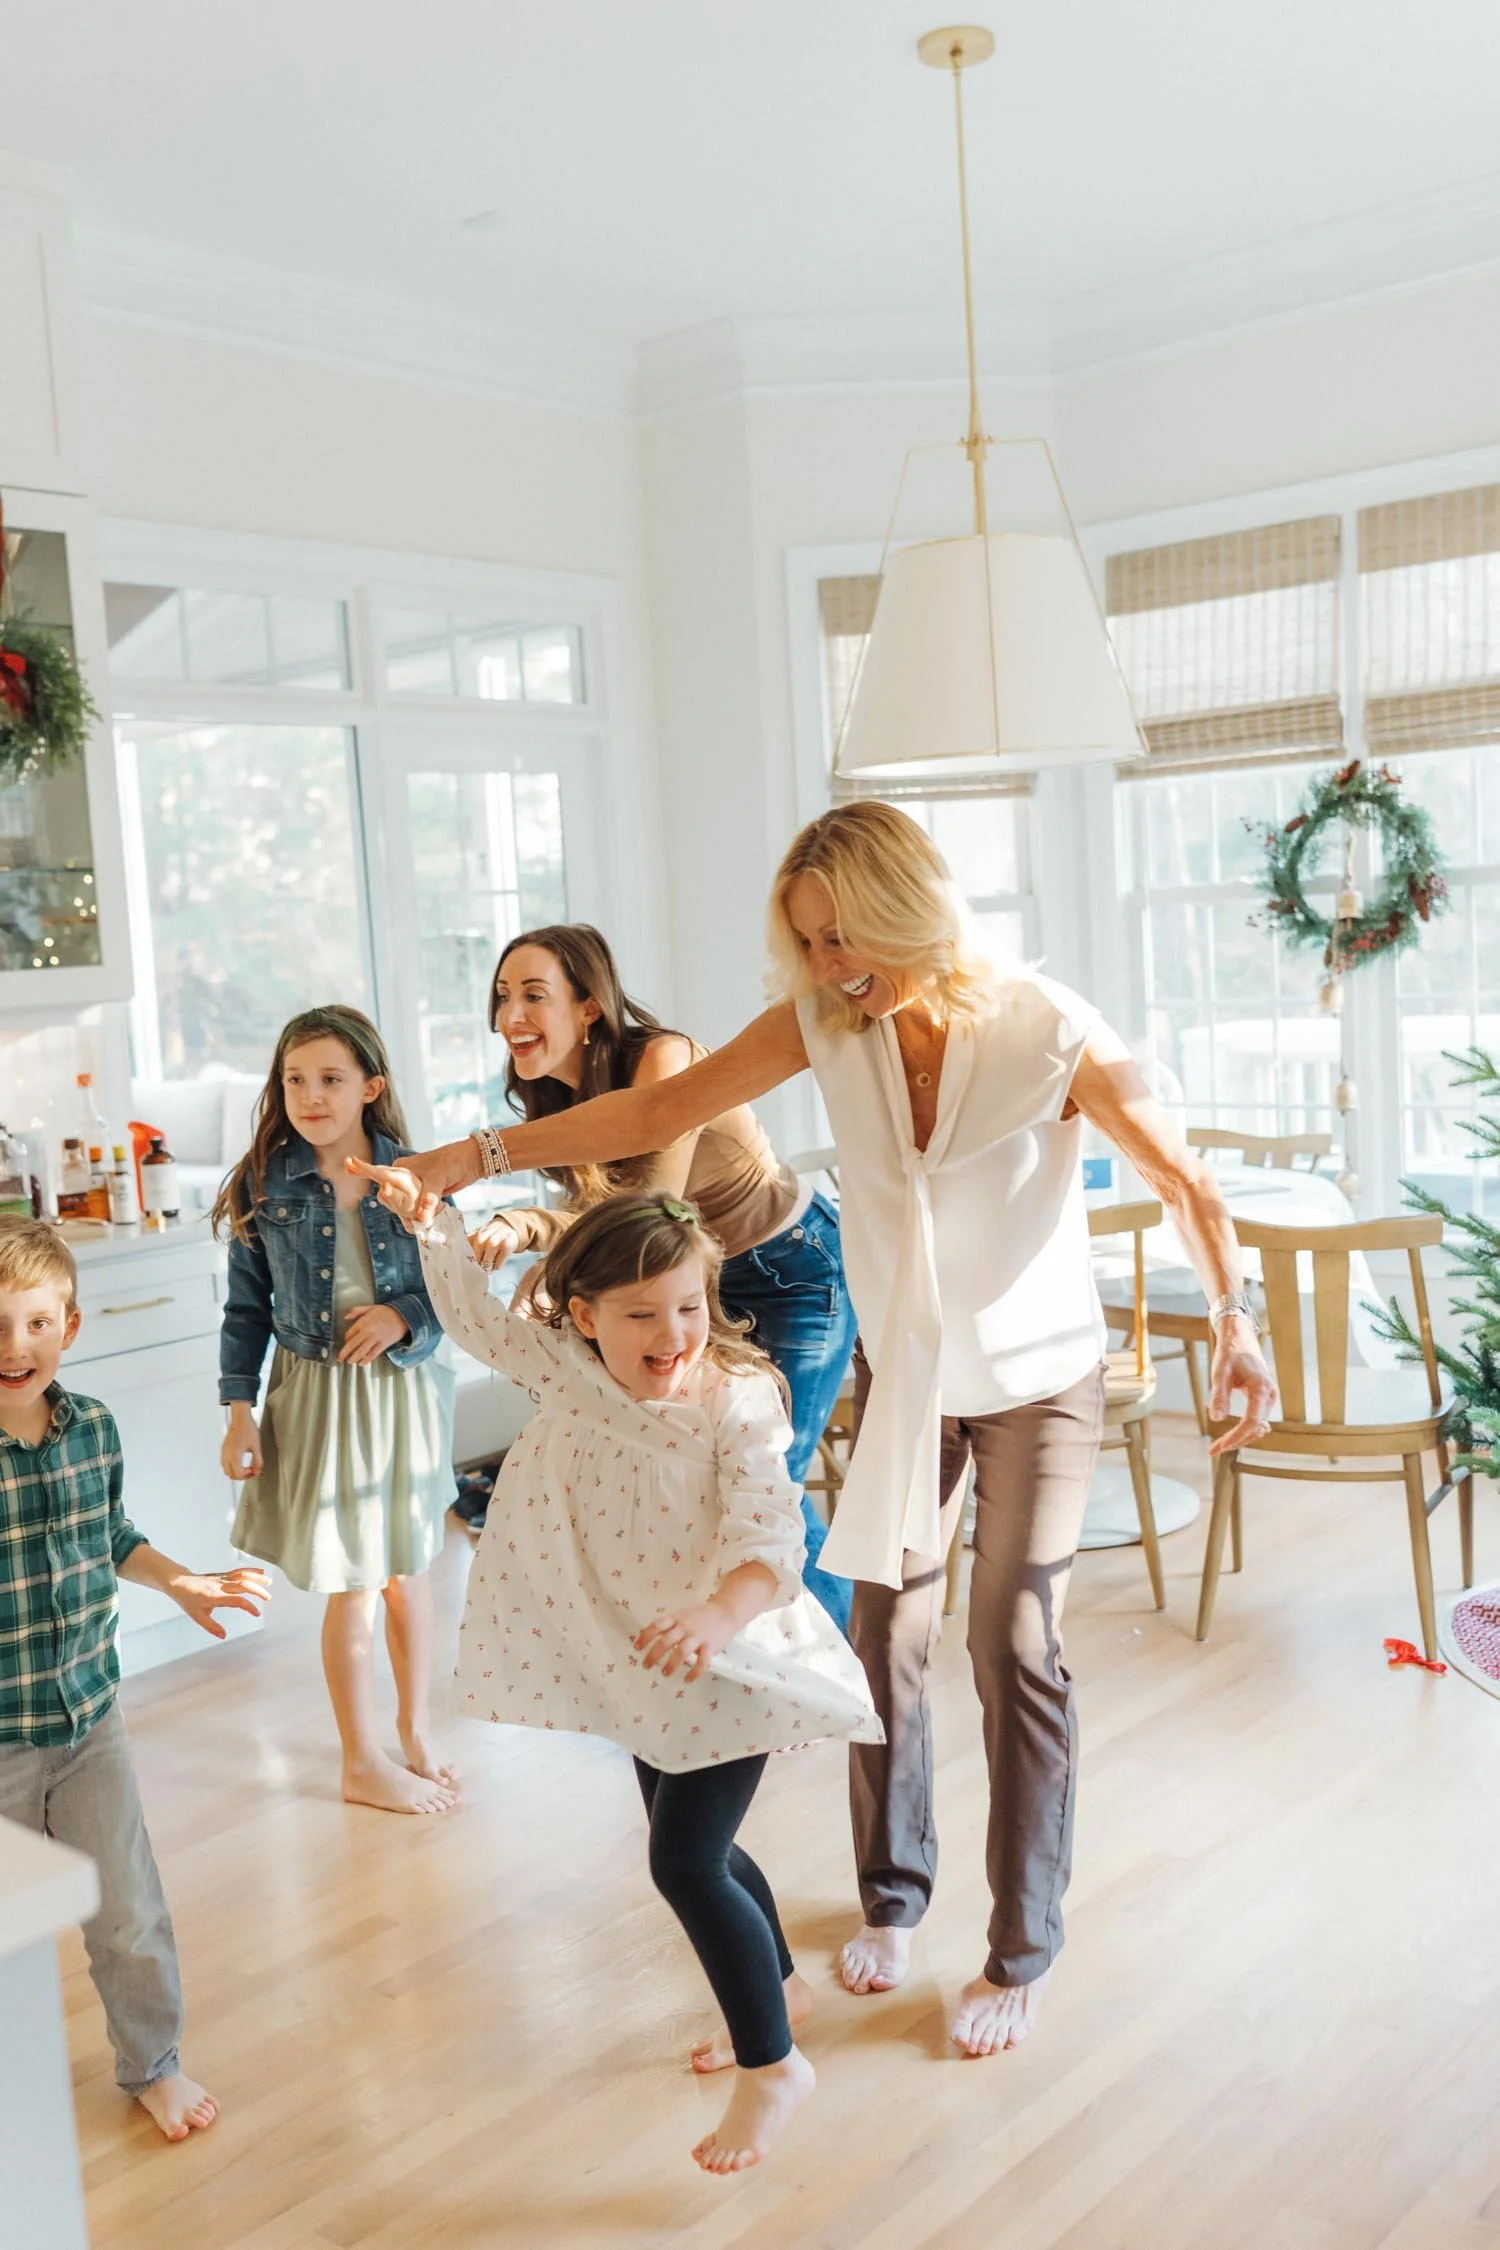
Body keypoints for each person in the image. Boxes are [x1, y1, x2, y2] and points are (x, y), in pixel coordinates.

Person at [389, 801, 1278, 2059]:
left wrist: (1236, 1320)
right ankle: (894, 1898)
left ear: (916, 907)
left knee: (1011, 1639)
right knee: (884, 1632)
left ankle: (1021, 1948)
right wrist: (459, 1158)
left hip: (1036, 1378)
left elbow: (1185, 1180)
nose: (829, 970)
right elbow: (652, 1117)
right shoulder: (826, 1023)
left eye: (847, 940)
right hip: (911, 1371)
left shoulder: (1047, 1028)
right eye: (808, 945)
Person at [351, 1168, 880, 2171]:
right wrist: (433, 1224)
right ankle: (780, 1991)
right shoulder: (572, 1371)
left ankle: (774, 2069)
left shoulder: (740, 1399)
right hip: (646, 1662)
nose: (673, 1334)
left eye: (689, 1306)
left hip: (733, 1659)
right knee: (706, 1853)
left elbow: (770, 1533)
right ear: (585, 1317)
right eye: (641, 1314)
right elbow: (471, 1313)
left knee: (681, 1862)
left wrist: (718, 1615)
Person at [467, 923, 855, 1632]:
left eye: (532, 995)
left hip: (794, 1270)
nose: (510, 1017)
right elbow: (608, 1223)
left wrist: (536, 1235)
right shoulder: (556, 1101)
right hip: (695, 1294)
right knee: (705, 1476)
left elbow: (650, 1215)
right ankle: (734, 1660)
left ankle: (843, 1668)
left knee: (770, 1477)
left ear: (590, 1007)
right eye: (501, 997)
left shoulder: (665, 1061)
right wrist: (549, 1251)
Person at [0, 1215, 270, 2140]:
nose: (15, 1346)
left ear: (69, 1329)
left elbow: (111, 1538)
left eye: (36, 1323)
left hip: (89, 1722)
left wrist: (183, 1579)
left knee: (128, 1914)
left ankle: (152, 2064)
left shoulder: (94, 1431)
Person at [214, 1004, 457, 1817]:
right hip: (318, 1394)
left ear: (371, 1087)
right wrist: (238, 1410)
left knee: (408, 1574)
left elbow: (455, 1291)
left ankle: (416, 1731)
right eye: (294, 1079)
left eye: (330, 1079)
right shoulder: (263, 1182)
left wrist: (404, 1319)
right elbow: (245, 1310)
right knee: (352, 1581)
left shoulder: (420, 1174)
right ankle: (362, 1758)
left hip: (404, 1392)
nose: (310, 1095)